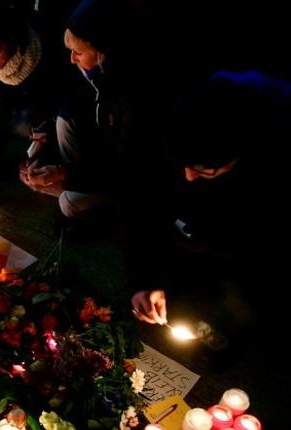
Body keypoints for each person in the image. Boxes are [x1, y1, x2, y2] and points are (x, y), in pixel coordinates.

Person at [131, 70, 290, 325]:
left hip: (244, 254)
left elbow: (257, 247)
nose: (189, 176)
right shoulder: (180, 121)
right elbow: (146, 207)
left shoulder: (270, 161)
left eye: (203, 170)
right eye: (183, 165)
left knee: (243, 300)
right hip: (201, 240)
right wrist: (149, 281)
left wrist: (202, 243)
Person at [21, 0, 139, 220]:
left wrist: (63, 174)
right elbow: (76, 115)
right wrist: (45, 158)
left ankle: (108, 210)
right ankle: (70, 189)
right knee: (65, 118)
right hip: (97, 163)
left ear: (103, 53)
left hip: (129, 182)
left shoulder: (132, 98)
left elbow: (124, 170)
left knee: (69, 204)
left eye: (78, 52)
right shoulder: (93, 76)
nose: (72, 58)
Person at [0, 1, 73, 210]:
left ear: (12, 41)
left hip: (36, 105)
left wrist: (43, 154)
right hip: (7, 105)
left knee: (43, 142)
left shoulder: (41, 47)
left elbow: (55, 106)